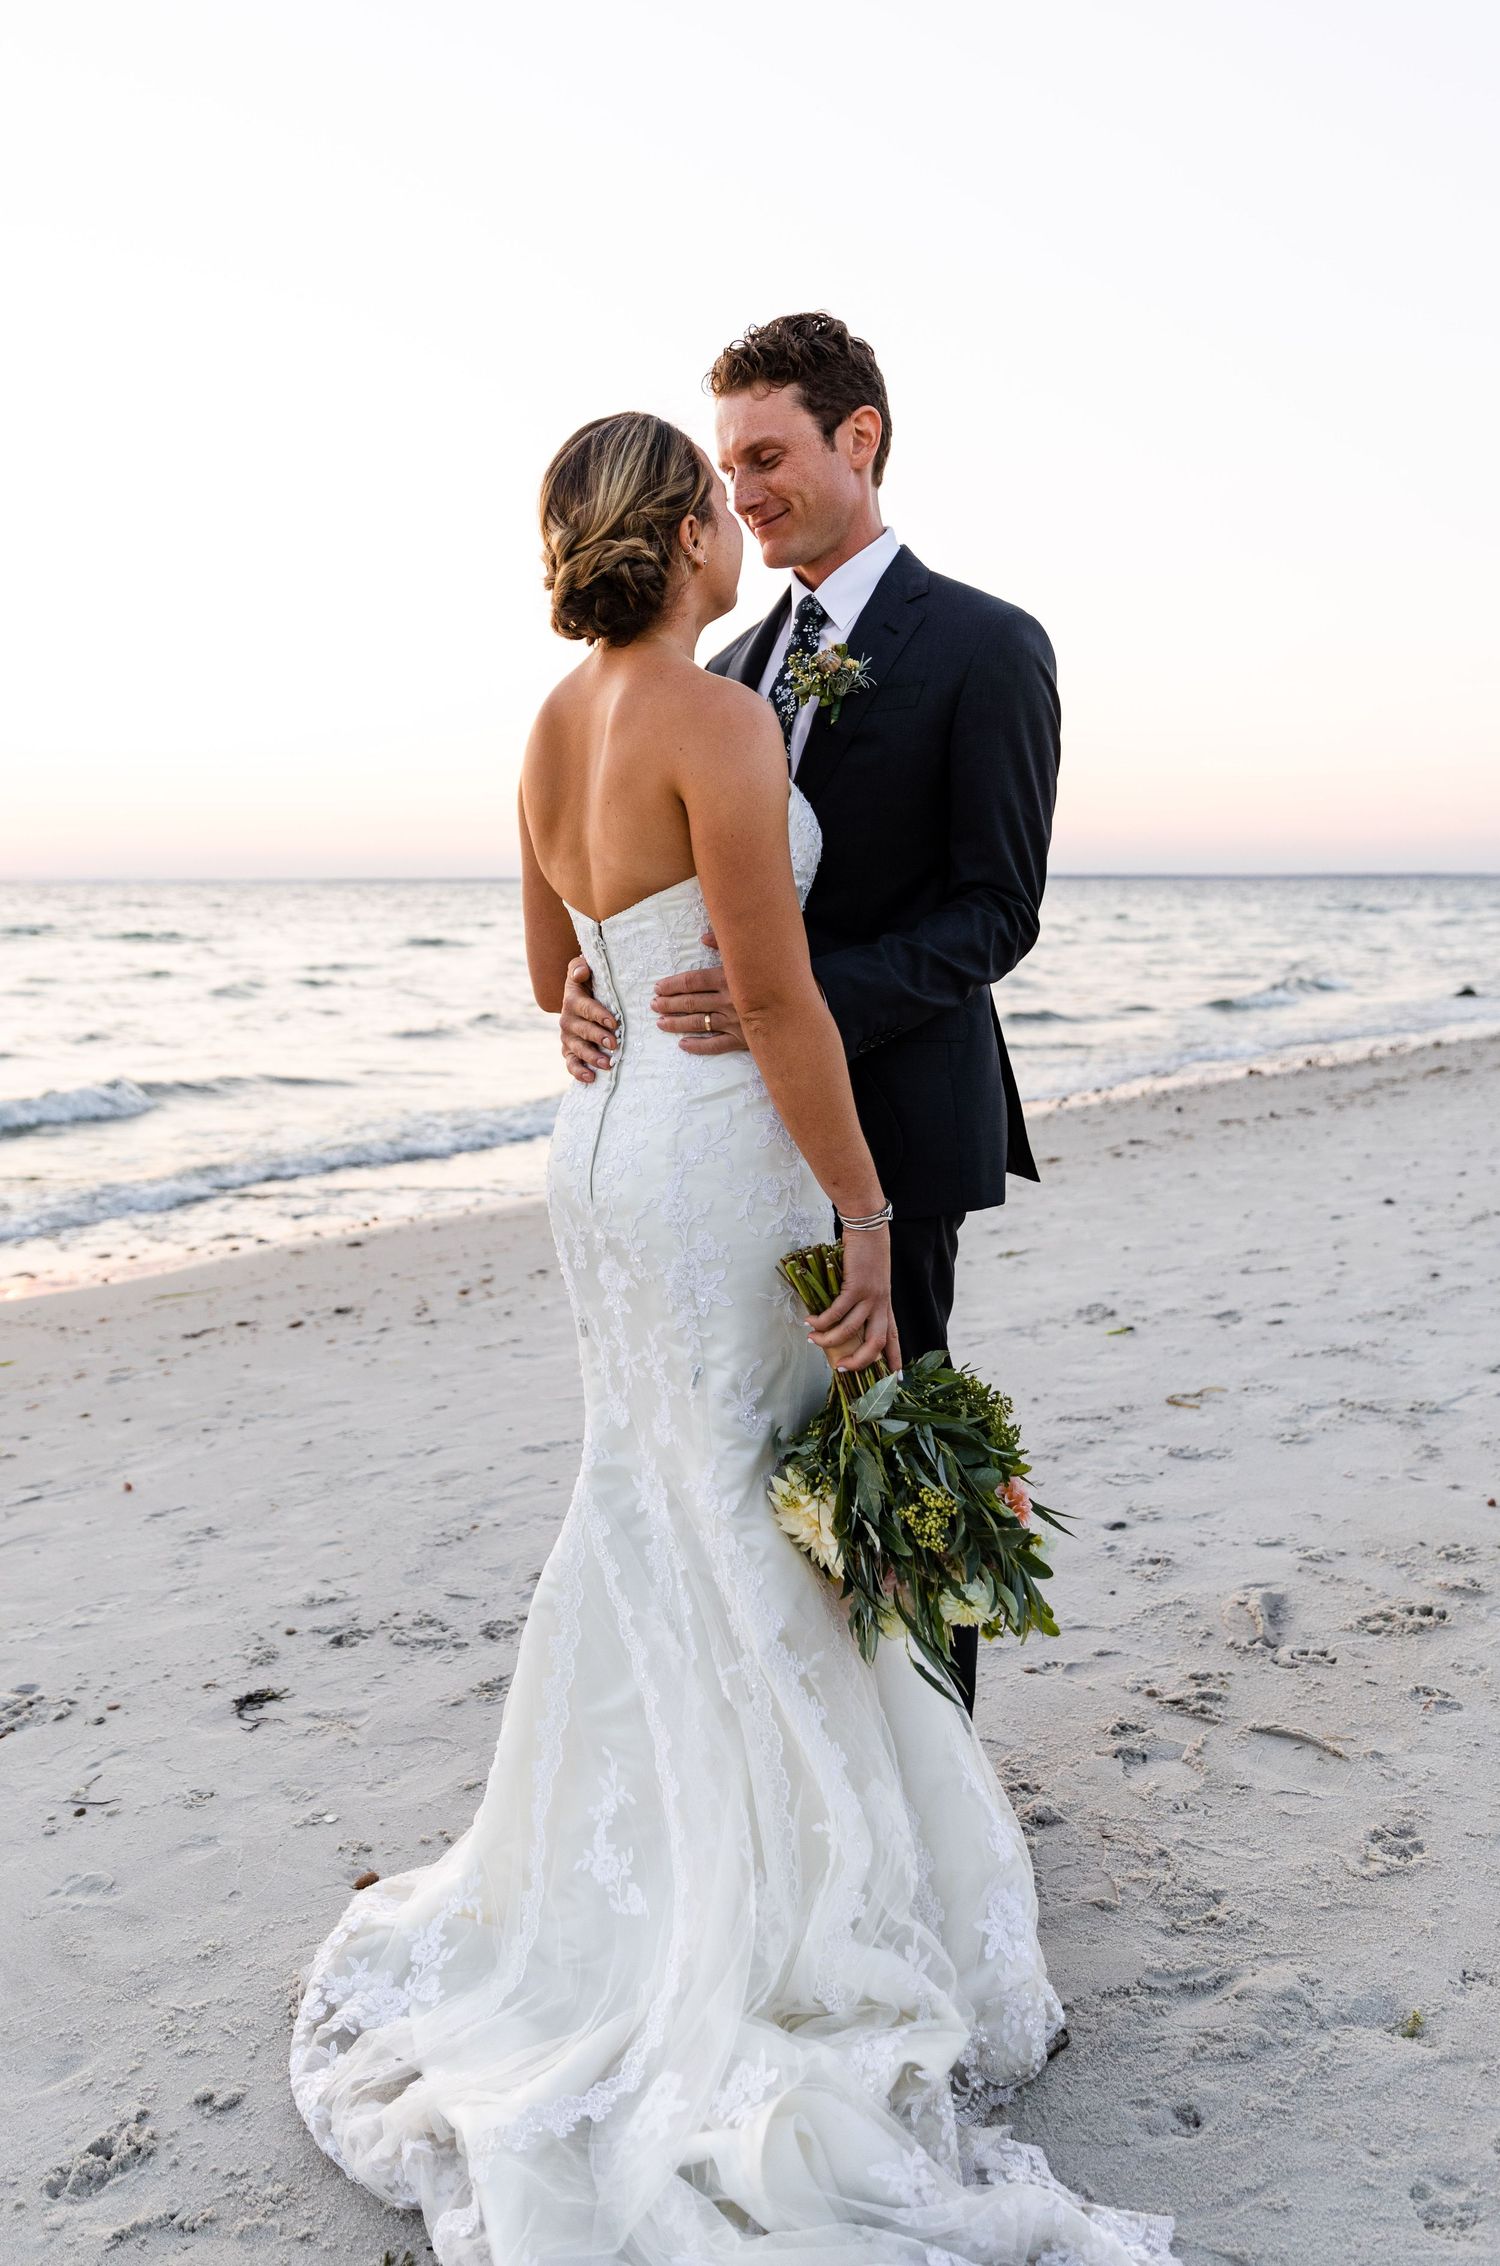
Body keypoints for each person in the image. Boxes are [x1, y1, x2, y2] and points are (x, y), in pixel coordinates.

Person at [289, 410, 1177, 2266]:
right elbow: (773, 996)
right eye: (717, 493)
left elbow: (558, 982)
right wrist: (860, 1215)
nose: (734, 515)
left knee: (655, 1503)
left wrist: (598, 1016)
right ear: (685, 530)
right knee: (754, 1513)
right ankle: (772, 1915)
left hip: (600, 1169)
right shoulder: (719, 716)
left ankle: (629, 1885)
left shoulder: (548, 727)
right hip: (714, 1178)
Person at [561, 313, 1061, 1715]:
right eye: (728, 467)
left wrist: (794, 1004)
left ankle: (940, 1761)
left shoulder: (986, 645)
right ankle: (823, 1762)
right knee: (775, 1459)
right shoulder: (721, 675)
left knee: (901, 1446)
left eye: (767, 454)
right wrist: (594, 986)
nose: (741, 493)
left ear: (862, 439)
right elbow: (670, 887)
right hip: (730, 1144)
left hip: (895, 1109)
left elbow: (996, 911)